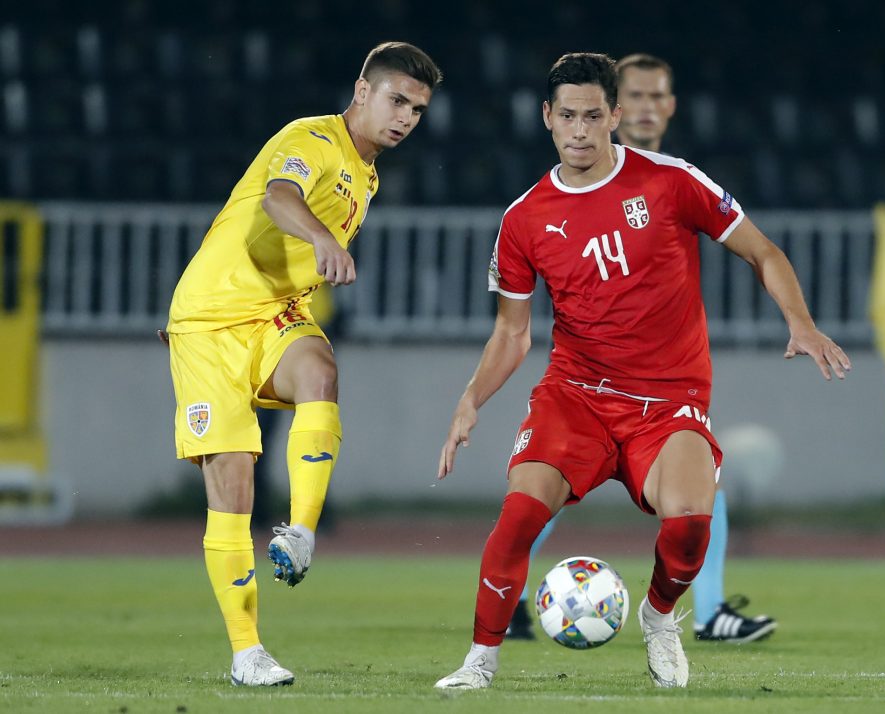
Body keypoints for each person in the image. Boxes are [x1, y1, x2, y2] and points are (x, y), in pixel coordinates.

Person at [434, 52, 849, 690]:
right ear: (546, 117)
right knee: (517, 518)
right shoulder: (523, 218)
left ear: (614, 116)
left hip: (668, 400)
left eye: (591, 116)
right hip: (575, 396)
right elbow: (512, 333)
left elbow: (762, 251)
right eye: (567, 116)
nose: (578, 130)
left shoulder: (671, 181)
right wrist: (471, 400)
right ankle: (479, 662)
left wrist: (801, 322)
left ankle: (658, 617)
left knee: (689, 523)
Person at [164, 42, 441, 687]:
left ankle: (301, 534)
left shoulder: (366, 174)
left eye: (418, 109)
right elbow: (278, 197)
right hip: (210, 321)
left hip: (272, 313)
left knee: (321, 370)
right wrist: (320, 237)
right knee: (234, 484)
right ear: (362, 91)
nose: (406, 117)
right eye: (397, 100)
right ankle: (247, 653)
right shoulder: (312, 139)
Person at [507, 52, 778, 644]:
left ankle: (705, 611)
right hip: (592, 382)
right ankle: (514, 592)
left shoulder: (670, 178)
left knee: (701, 487)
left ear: (671, 106)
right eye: (637, 96)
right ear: (613, 109)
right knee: (545, 491)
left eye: (659, 97)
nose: (648, 108)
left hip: (666, 381)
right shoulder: (574, 179)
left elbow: (751, 246)